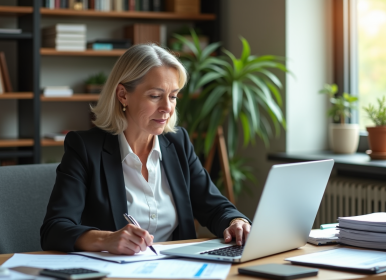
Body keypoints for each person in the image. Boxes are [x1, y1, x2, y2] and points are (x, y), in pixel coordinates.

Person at [40, 44, 251, 255]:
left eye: (173, 96)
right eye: (155, 96)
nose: (167, 108)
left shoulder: (178, 143)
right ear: (123, 95)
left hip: (179, 271)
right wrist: (106, 239)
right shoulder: (85, 148)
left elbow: (214, 206)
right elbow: (54, 229)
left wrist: (236, 221)